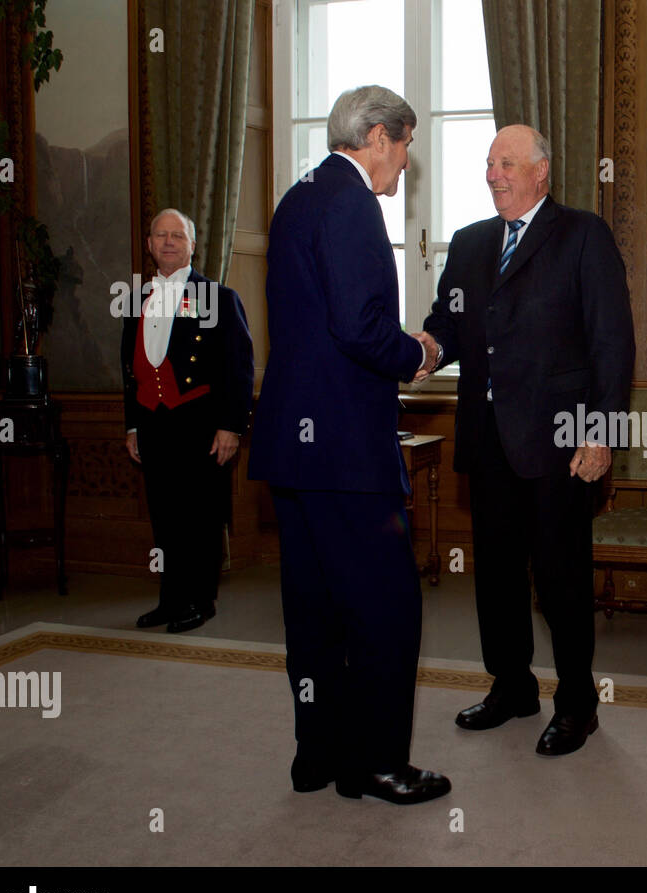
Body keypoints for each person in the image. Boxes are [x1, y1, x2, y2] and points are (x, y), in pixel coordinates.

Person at [248, 86, 449, 804]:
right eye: (406, 143)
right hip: (343, 452)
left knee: (312, 609)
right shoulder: (353, 202)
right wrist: (419, 354)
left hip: (293, 447)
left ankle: (319, 755)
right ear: (377, 137)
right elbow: (360, 329)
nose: (405, 161)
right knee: (387, 609)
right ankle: (380, 764)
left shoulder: (298, 197)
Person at [420, 124, 635, 756]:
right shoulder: (468, 244)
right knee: (497, 576)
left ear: (542, 170)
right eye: (489, 166)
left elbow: (612, 344)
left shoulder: (583, 235)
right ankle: (511, 686)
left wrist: (602, 434)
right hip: (488, 443)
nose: (494, 176)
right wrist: (423, 350)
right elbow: (448, 326)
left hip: (562, 444)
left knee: (563, 577)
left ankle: (577, 702)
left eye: (507, 164)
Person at [122, 208, 253, 634]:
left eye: (177, 235)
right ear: (149, 244)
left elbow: (239, 367)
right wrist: (132, 426)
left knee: (201, 517)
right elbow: (129, 368)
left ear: (193, 245)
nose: (168, 242)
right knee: (165, 517)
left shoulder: (218, 297)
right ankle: (170, 600)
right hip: (155, 424)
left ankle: (200, 601)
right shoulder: (136, 298)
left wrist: (231, 425)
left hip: (202, 425)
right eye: (160, 235)